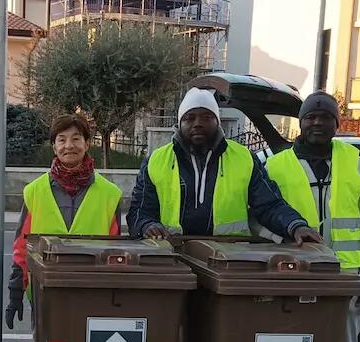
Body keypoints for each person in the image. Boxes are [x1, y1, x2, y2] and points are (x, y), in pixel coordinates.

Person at [262, 92, 360, 342]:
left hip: (346, 281)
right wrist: (284, 240)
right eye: (310, 118)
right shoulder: (274, 167)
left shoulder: (358, 167)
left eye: (326, 117)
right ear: (301, 123)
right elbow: (259, 219)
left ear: (336, 123)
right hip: (293, 277)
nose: (318, 123)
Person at [127, 87, 323, 245]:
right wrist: (147, 225)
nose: (197, 124)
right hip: (173, 256)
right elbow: (139, 211)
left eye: (206, 117)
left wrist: (296, 226)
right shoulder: (157, 160)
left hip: (229, 258)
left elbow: (269, 205)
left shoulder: (243, 158)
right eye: (189, 118)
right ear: (179, 123)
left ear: (217, 122)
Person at [6, 114, 122, 329]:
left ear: (87, 144)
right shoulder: (34, 191)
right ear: (54, 146)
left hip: (92, 295)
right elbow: (22, 247)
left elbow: (115, 252)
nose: (69, 145)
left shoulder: (110, 194)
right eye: (62, 139)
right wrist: (16, 291)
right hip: (45, 292)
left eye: (76, 138)